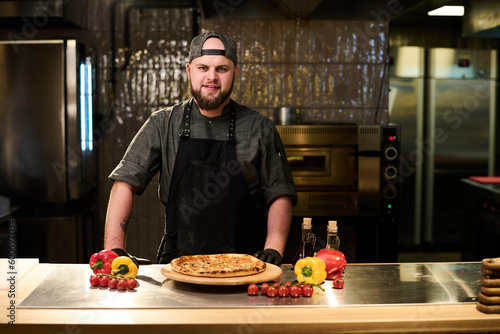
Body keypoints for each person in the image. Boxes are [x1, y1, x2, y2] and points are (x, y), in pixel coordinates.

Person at [103, 31, 297, 266]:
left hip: (246, 266)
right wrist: (114, 250)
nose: (211, 77)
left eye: (221, 69)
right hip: (177, 266)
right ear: (189, 71)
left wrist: (273, 249)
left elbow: (280, 193)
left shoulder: (260, 128)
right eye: (203, 68)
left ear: (235, 72)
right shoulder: (163, 123)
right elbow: (125, 181)